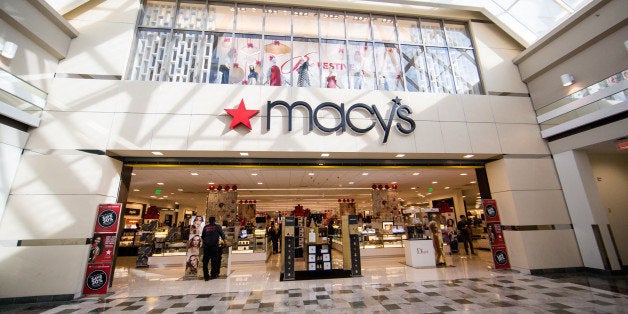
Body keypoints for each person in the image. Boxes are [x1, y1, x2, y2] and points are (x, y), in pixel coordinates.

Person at [201, 216, 226, 281]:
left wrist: (205, 242)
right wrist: (225, 242)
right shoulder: (218, 227)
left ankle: (206, 276)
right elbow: (222, 235)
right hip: (214, 246)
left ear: (209, 221)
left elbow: (203, 236)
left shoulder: (205, 227)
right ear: (215, 220)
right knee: (214, 261)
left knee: (205, 262)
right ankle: (213, 275)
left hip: (206, 247)